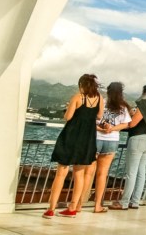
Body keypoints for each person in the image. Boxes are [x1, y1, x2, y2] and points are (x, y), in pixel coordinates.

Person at [43, 74, 103, 218]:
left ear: (82, 85)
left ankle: (51, 209)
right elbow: (99, 116)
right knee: (79, 174)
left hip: (71, 137)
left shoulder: (77, 97)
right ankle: (72, 208)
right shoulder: (100, 98)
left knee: (61, 173)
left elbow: (68, 117)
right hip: (87, 139)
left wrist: (70, 109)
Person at [112, 84, 146, 210]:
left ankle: (124, 202)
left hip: (138, 139)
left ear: (145, 92)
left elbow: (133, 124)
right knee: (141, 172)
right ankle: (135, 201)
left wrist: (121, 124)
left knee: (131, 172)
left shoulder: (144, 105)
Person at [86, 81, 132, 213]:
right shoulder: (123, 106)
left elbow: (92, 120)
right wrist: (112, 129)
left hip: (96, 138)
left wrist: (101, 129)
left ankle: (78, 203)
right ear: (121, 92)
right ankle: (97, 206)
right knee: (102, 174)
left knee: (89, 172)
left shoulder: (101, 102)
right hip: (111, 141)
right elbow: (126, 124)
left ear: (108, 91)